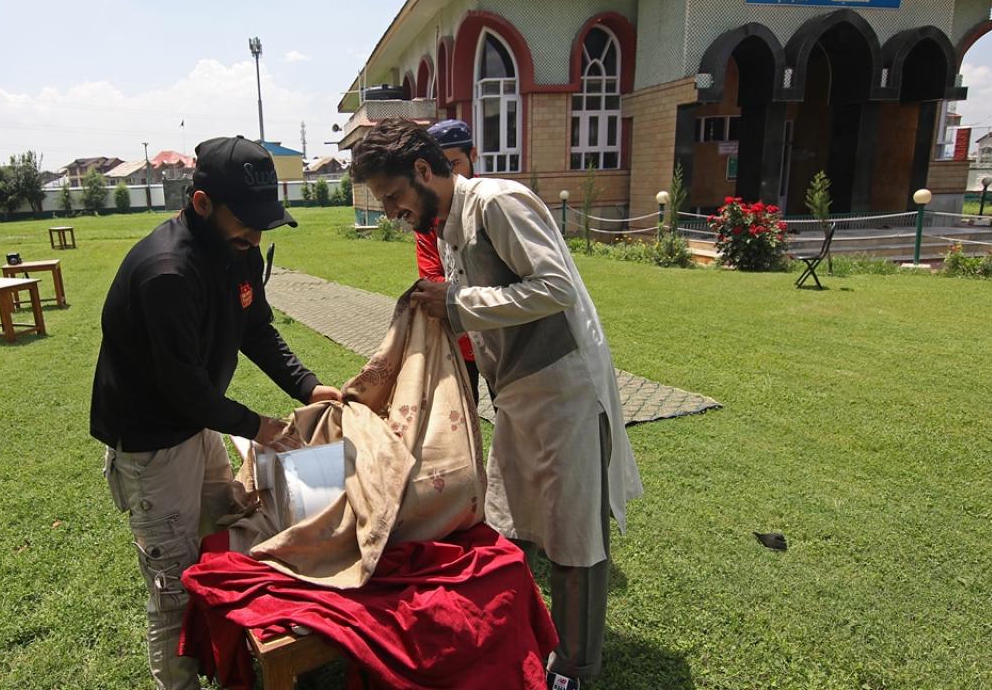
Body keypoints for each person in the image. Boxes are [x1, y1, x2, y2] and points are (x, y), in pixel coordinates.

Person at [349, 118, 642, 690]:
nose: (390, 212)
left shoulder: (497, 202)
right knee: (508, 526)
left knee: (573, 536)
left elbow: (555, 285)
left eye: (393, 196)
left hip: (563, 390)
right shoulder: (444, 226)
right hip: (514, 395)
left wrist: (458, 302)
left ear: (424, 170)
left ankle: (573, 668)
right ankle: (516, 643)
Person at [91, 136, 342, 690]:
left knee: (224, 533)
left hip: (196, 426)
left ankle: (230, 658)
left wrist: (308, 386)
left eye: (262, 225)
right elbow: (184, 389)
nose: (255, 238)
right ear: (202, 204)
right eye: (246, 223)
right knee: (173, 588)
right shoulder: (167, 273)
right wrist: (261, 429)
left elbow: (257, 330)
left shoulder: (238, 250)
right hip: (152, 443)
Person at [415, 119, 490, 409]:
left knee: (512, 413)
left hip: (499, 334)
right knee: (462, 415)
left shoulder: (489, 204)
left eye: (455, 163)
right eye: (441, 166)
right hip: (458, 336)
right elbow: (431, 275)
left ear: (473, 155)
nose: (449, 175)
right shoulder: (429, 216)